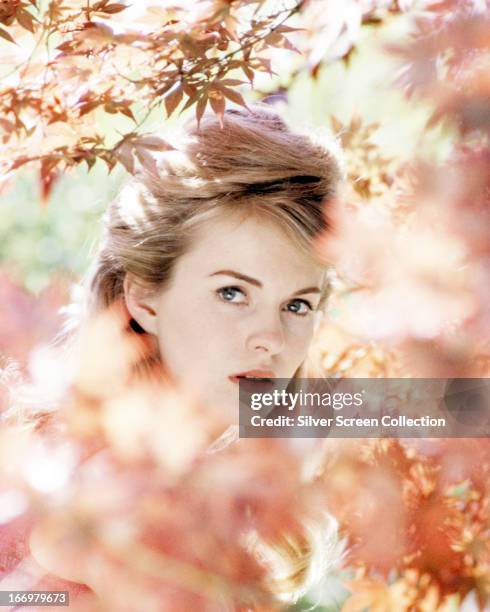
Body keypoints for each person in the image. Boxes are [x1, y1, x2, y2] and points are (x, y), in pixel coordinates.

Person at [2, 102, 343, 608]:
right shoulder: (96, 487)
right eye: (232, 293)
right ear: (144, 297)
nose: (270, 337)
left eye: (297, 304)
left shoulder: (196, 482)